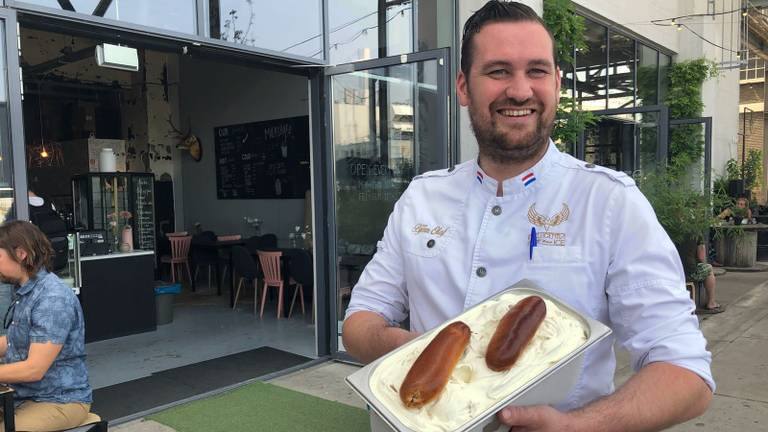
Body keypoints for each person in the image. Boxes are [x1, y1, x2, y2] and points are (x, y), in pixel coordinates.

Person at [342, 2, 713, 430]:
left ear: (556, 84)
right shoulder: (421, 198)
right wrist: (422, 352)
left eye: (536, 71)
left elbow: (686, 372)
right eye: (498, 71)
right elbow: (361, 320)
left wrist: (582, 426)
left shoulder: (609, 202)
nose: (520, 90)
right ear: (463, 87)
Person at [0, 220, 92, 431]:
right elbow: (15, 340)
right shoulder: (24, 290)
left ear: (21, 254)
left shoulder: (52, 298)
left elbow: (34, 369)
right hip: (25, 394)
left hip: (60, 400)